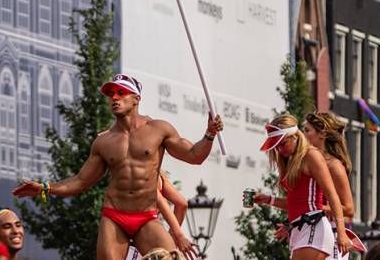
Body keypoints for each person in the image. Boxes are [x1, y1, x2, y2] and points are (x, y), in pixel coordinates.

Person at [12, 73, 223, 260]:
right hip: (114, 217)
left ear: (136, 99)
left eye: (121, 93)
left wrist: (209, 134)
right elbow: (80, 181)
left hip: (146, 216)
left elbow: (195, 156)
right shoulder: (104, 141)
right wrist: (45, 188)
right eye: (111, 94)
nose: (114, 98)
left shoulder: (159, 129)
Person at [249, 114, 351, 260]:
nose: (279, 150)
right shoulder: (293, 161)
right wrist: (268, 200)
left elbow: (332, 196)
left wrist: (341, 233)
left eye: (282, 144)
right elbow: (297, 202)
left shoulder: (311, 155)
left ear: (295, 136)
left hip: (313, 227)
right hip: (300, 230)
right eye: (276, 147)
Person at [302, 112, 362, 259]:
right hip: (311, 230)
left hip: (332, 233)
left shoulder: (334, 166)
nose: (303, 136)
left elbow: (349, 209)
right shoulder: (308, 163)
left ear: (322, 134)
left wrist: (315, 208)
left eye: (307, 131)